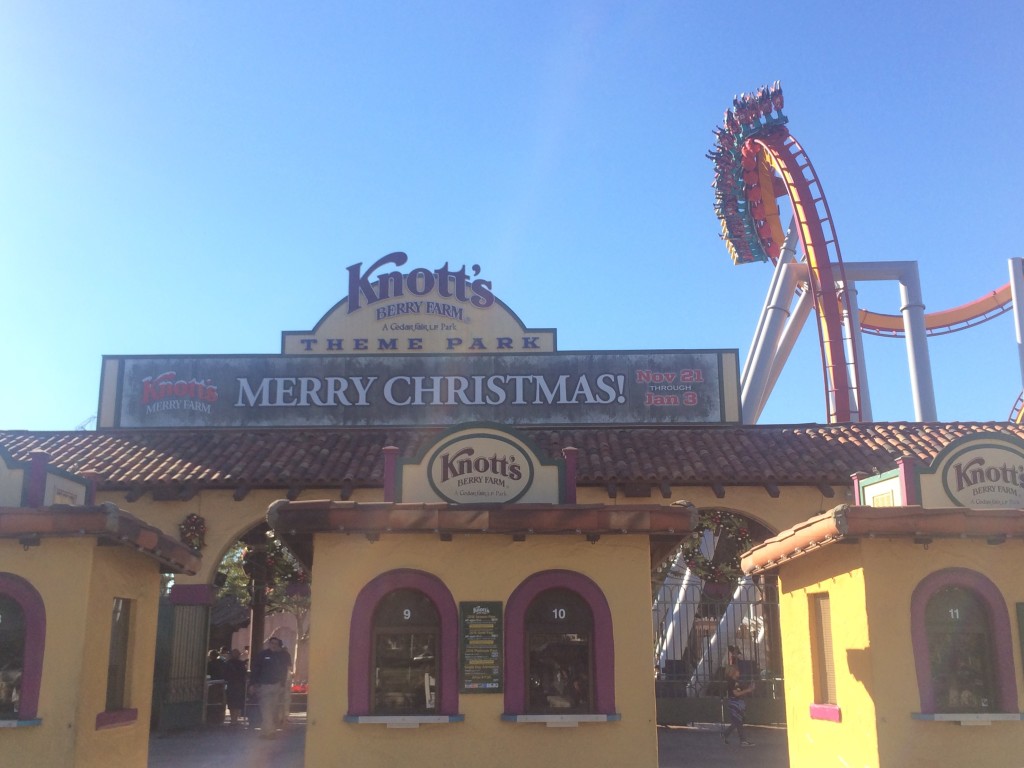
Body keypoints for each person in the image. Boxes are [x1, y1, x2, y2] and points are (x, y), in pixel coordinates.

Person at [249, 636, 292, 737]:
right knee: (266, 708)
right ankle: (270, 731)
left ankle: (264, 731)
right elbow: (255, 670)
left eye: (276, 644)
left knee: (273, 709)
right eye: (272, 643)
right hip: (264, 686)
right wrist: (252, 684)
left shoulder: (282, 656)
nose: (273, 645)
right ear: (269, 644)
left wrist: (283, 684)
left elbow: (285, 670)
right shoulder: (262, 655)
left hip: (277, 685)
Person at [721, 664, 755, 746]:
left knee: (737, 722)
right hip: (735, 703)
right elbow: (736, 693)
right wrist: (748, 690)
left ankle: (725, 734)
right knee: (738, 721)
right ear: (733, 672)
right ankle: (743, 741)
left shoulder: (734, 681)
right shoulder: (732, 682)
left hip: (736, 703)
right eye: (737, 671)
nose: (739, 672)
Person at [222, 648, 248, 725]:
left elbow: (224, 674)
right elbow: (244, 674)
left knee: (231, 703)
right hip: (239, 685)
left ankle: (233, 719)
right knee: (236, 703)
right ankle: (235, 719)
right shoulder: (241, 664)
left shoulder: (227, 663)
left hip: (231, 685)